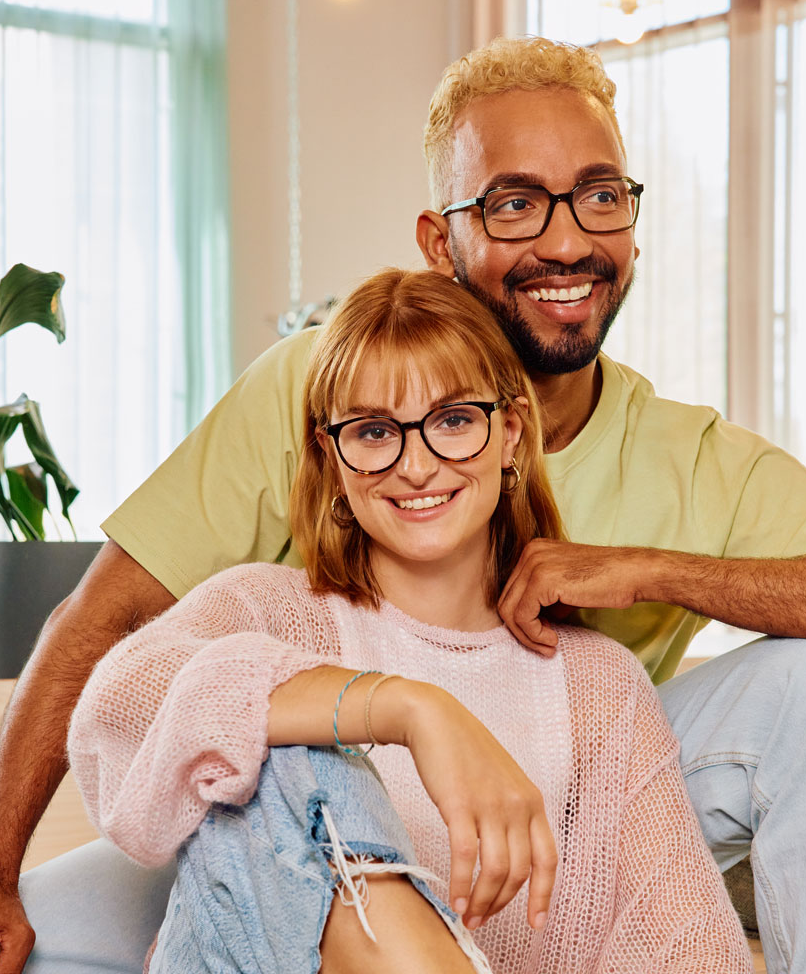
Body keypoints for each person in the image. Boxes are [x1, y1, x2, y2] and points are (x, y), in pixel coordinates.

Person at [0, 35, 806, 974]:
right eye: (513, 205)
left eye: (598, 197)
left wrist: (640, 568)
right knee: (271, 770)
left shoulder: (644, 577)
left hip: (552, 818)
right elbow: (108, 634)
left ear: (509, 437)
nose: (565, 241)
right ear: (439, 241)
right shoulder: (319, 390)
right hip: (282, 809)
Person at [65, 267, 753, 973]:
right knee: (284, 745)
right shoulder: (263, 612)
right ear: (331, 457)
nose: (417, 466)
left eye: (455, 420)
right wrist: (408, 709)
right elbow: (116, 705)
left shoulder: (600, 686)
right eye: (373, 431)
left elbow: (691, 950)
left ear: (512, 432)